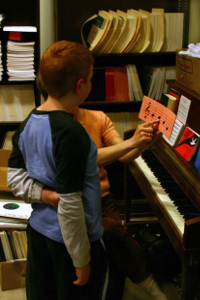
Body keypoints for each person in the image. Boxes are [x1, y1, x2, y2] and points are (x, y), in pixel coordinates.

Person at [35, 72, 168, 300]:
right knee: (112, 232)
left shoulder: (98, 118)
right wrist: (133, 142)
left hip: (102, 200)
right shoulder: (46, 125)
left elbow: (124, 154)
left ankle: (130, 288)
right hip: (65, 203)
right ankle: (151, 289)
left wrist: (143, 143)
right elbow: (83, 158)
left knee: (113, 234)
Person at [7, 40, 108, 300]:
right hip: (72, 243)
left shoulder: (28, 122)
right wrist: (81, 259)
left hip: (39, 234)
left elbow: (15, 179)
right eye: (91, 78)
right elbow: (70, 204)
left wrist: (45, 196)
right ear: (80, 85)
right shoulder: (72, 132)